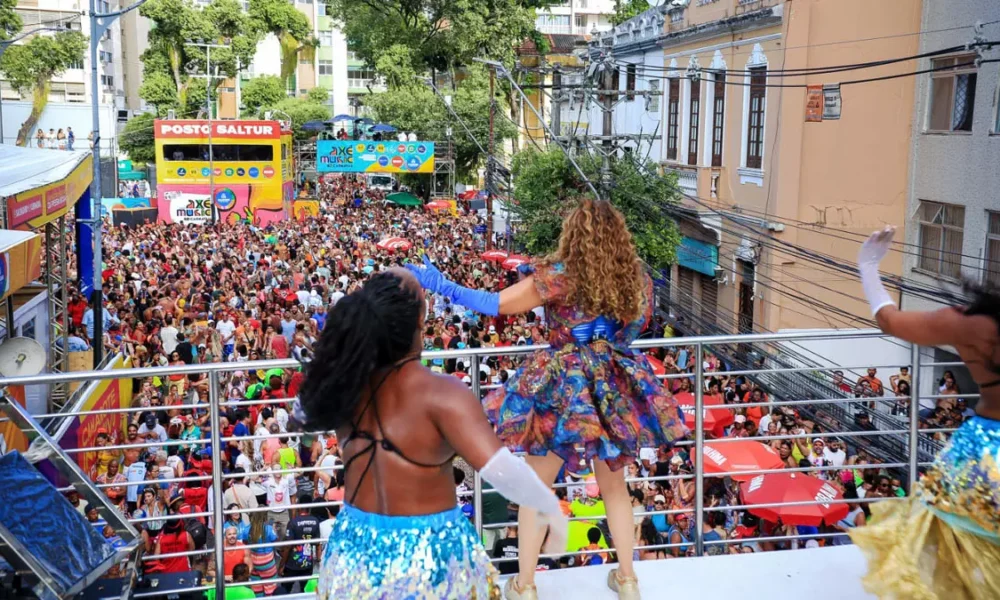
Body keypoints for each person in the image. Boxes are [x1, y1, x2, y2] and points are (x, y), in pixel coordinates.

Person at [408, 199, 687, 599]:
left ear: (573, 234)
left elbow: (496, 305)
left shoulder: (559, 276)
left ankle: (525, 585)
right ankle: (627, 580)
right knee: (615, 488)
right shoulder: (636, 277)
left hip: (564, 388)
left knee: (537, 488)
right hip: (611, 384)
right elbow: (636, 327)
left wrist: (440, 284)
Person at [297, 270, 566, 599]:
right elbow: (503, 472)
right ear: (421, 320)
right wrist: (550, 509)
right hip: (431, 557)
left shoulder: (342, 383)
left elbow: (305, 436)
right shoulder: (443, 394)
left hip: (354, 552)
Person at [849, 226, 1000, 598]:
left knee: (967, 561)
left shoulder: (974, 323)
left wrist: (868, 266)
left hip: (984, 458)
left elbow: (891, 320)